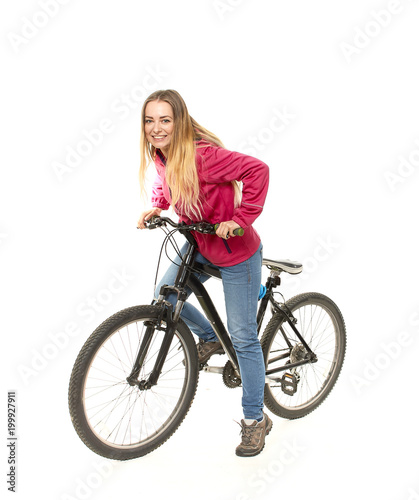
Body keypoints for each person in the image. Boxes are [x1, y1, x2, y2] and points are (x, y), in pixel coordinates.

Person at [137, 89, 271, 457]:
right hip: (198, 242)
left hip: (235, 253)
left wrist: (239, 220)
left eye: (165, 120)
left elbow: (258, 170)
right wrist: (157, 206)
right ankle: (211, 336)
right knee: (165, 291)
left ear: (178, 121)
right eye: (150, 120)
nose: (156, 128)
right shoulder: (162, 152)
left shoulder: (203, 157)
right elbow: (166, 180)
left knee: (243, 337)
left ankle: (255, 420)